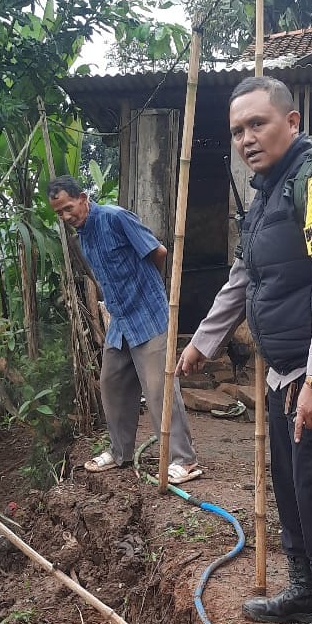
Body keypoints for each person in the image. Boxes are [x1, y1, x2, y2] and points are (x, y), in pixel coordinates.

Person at [178, 77, 312, 624]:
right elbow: (245, 278)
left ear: (292, 123)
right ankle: (305, 593)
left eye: (258, 124)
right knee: (291, 493)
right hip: (287, 375)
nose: (246, 138)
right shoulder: (267, 192)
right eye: (238, 130)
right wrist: (204, 343)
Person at [48, 176, 201, 486]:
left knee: (159, 390)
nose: (66, 217)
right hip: (121, 320)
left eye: (68, 208)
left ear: (83, 198)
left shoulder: (115, 218)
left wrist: (146, 287)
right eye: (59, 213)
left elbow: (158, 251)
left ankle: (184, 461)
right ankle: (121, 453)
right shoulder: (84, 236)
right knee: (112, 382)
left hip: (149, 315)